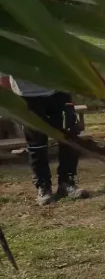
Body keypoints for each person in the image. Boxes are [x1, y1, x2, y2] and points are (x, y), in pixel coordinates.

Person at [0, 74, 87, 206]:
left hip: (59, 92)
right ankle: (43, 187)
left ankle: (67, 182)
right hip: (28, 97)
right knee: (36, 142)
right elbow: (4, 75)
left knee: (69, 136)